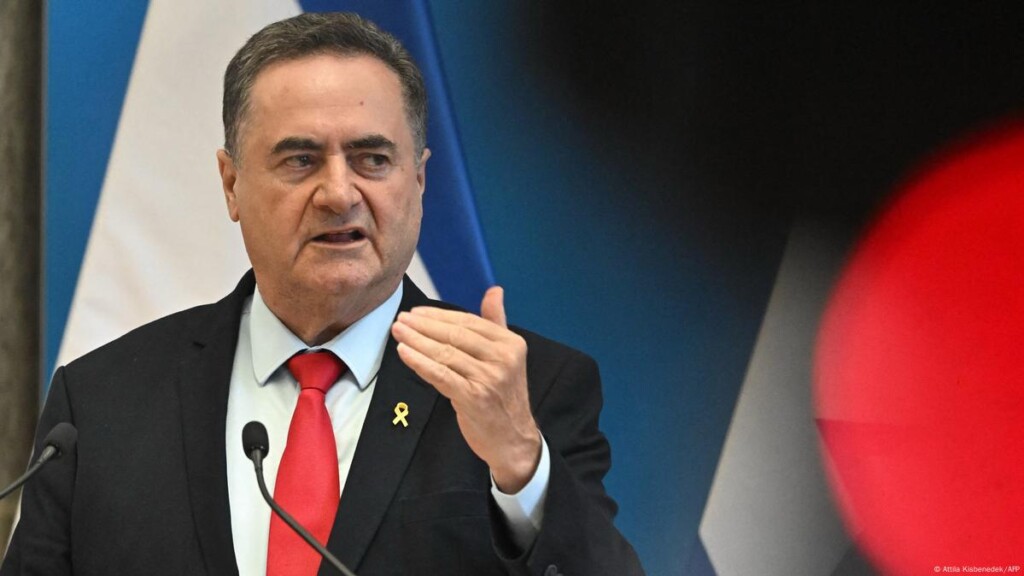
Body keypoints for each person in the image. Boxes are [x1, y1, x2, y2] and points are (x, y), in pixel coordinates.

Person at [1, 12, 643, 576]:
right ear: (230, 184)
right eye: (300, 160)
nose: (338, 193)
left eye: (372, 159)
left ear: (419, 182)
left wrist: (522, 465)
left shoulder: (531, 392)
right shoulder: (99, 405)